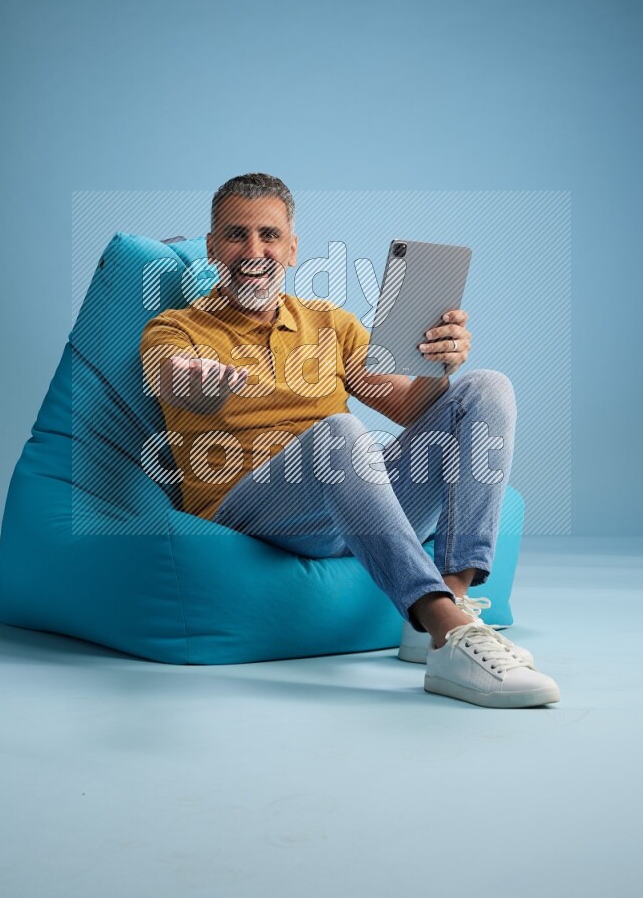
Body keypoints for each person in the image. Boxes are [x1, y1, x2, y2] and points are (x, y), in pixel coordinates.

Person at [140, 173, 560, 708]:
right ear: (211, 247)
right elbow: (170, 376)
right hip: (255, 507)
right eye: (235, 235)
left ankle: (451, 606)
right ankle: (445, 627)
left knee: (485, 387)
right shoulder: (175, 329)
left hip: (355, 496)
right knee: (341, 432)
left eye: (269, 236)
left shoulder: (329, 325)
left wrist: (439, 365)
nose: (253, 251)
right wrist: (197, 382)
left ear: (292, 249)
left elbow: (408, 405)